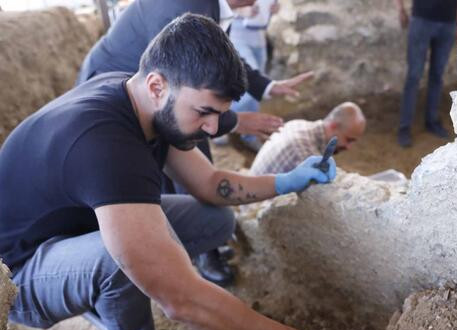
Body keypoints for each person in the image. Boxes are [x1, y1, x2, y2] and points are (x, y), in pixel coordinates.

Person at [0, 14, 344, 330]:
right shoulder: (107, 147)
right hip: (20, 276)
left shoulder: (144, 98)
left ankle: (103, 291)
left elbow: (209, 185)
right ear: (157, 85)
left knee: (214, 220)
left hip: (79, 227)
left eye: (218, 114)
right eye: (204, 112)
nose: (212, 129)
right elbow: (181, 301)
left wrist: (287, 180)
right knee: (117, 259)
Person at [77, 0, 313, 286]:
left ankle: (187, 241)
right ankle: (194, 251)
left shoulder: (210, 7)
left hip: (165, 93)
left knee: (180, 156)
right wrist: (235, 121)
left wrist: (266, 86)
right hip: (117, 85)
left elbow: (218, 60)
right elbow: (184, 88)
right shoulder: (186, 5)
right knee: (166, 156)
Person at [395, 0, 457, 148]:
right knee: (414, 75)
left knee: (437, 75)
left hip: (448, 23)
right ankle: (404, 127)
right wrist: (400, 9)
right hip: (422, 20)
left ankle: (432, 121)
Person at [251, 102, 366, 175]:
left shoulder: (298, 124)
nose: (349, 147)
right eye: (348, 140)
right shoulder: (305, 153)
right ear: (333, 126)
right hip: (256, 209)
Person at [228, 0, 279, 152]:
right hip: (237, 34)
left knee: (256, 87)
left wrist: (274, 9)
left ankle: (249, 132)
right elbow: (219, 6)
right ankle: (227, 124)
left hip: (259, 37)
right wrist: (240, 12)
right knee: (248, 87)